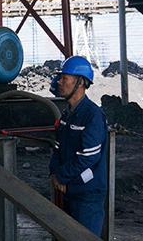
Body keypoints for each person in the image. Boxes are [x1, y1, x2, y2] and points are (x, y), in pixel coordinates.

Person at [49, 55, 108, 236]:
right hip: (69, 192)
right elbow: (57, 148)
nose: (59, 82)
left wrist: (62, 177)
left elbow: (88, 156)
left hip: (87, 197)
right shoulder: (67, 115)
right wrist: (55, 174)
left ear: (80, 83)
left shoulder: (93, 115)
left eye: (65, 78)